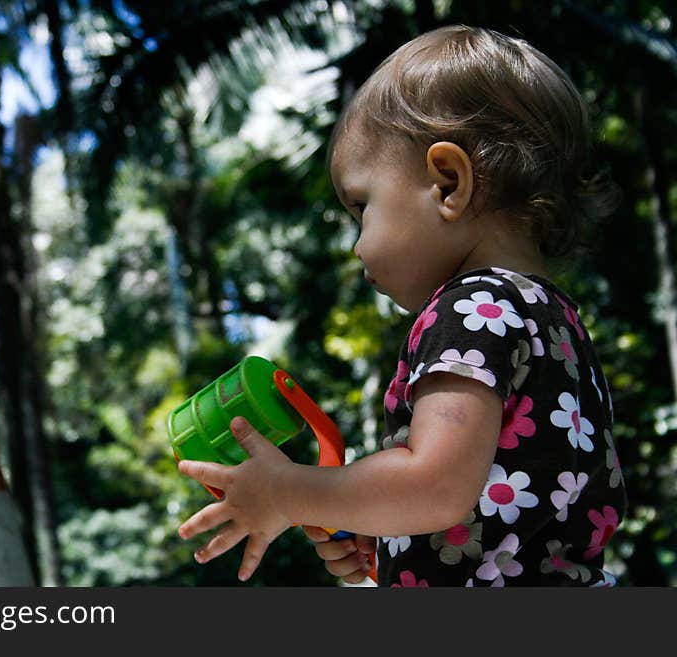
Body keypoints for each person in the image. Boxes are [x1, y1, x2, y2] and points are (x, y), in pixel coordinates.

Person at [176, 25, 627, 586]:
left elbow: (434, 486)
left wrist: (285, 492)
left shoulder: (470, 308)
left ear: (446, 184)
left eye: (361, 207)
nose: (357, 244)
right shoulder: (555, 319)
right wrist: (388, 530)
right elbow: (492, 500)